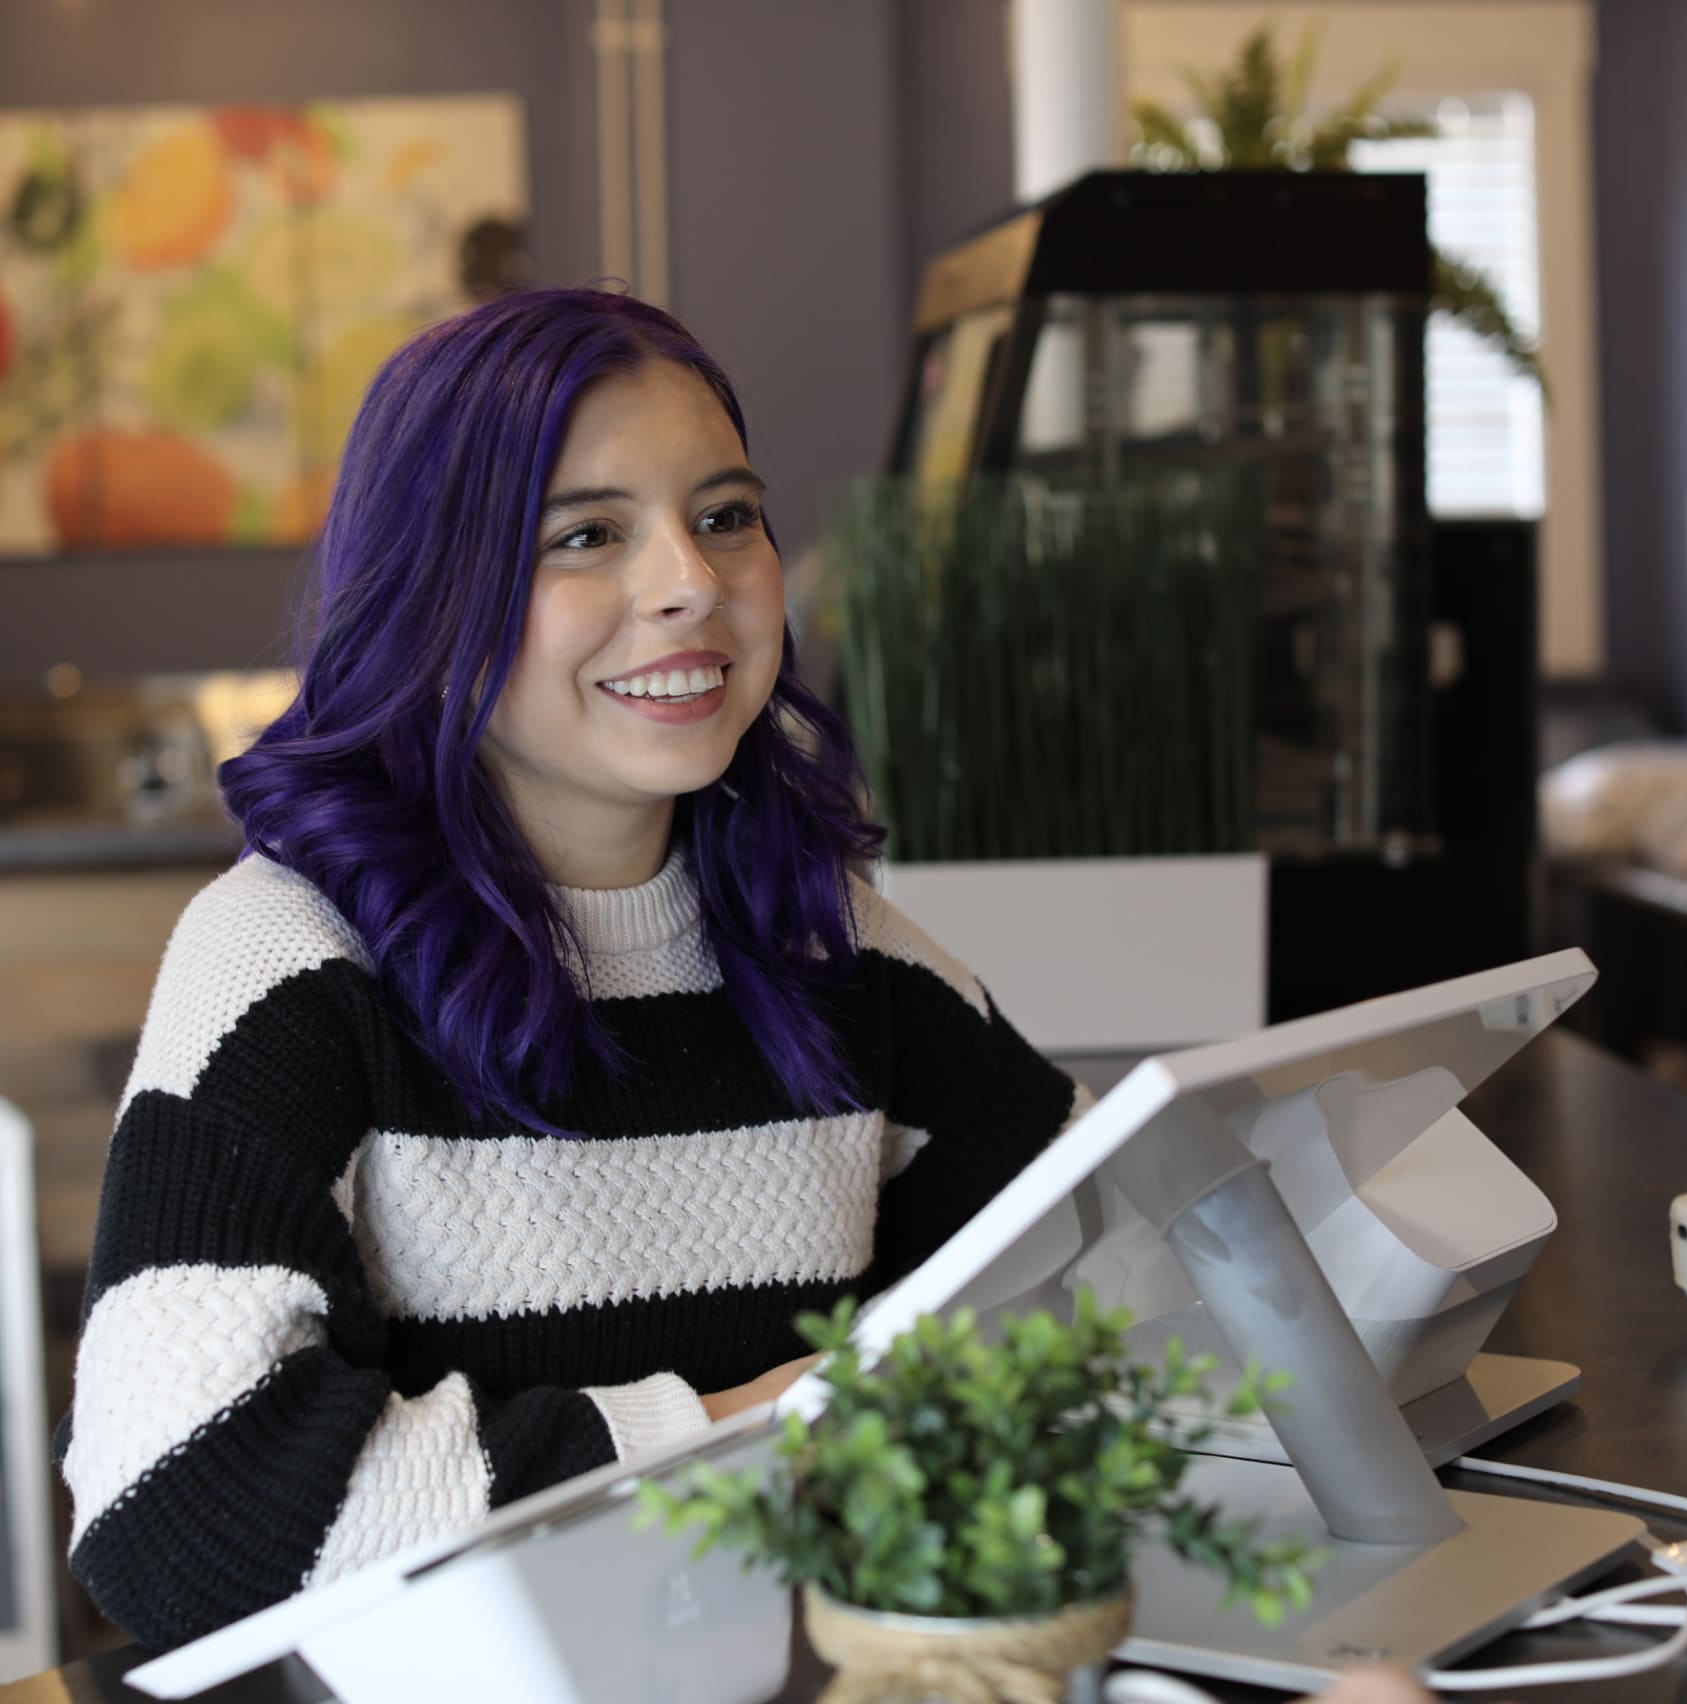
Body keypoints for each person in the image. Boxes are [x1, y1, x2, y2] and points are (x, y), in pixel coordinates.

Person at [55, 287, 1090, 1652]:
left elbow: (1101, 1269)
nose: (692, 583)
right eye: (587, 534)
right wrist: (728, 1430)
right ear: (435, 594)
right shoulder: (289, 957)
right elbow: (167, 1509)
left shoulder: (829, 936)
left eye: (725, 515)